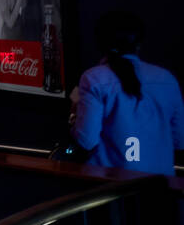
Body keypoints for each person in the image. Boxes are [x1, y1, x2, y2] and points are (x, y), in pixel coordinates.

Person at [70, 11, 184, 176]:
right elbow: (179, 140)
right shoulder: (167, 79)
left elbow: (86, 141)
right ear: (138, 44)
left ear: (100, 43)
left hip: (109, 188)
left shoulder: (93, 78)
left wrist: (75, 112)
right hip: (160, 187)